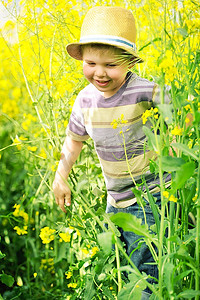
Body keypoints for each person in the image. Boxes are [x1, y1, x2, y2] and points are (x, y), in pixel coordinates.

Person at [53, 6, 171, 298]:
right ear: (82, 59)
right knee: (121, 266)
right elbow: (74, 140)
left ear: (130, 62)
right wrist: (60, 177)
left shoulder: (144, 90)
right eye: (91, 63)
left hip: (152, 198)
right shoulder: (83, 100)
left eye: (111, 65)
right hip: (114, 199)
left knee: (147, 272)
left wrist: (174, 128)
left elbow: (177, 108)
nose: (100, 73)